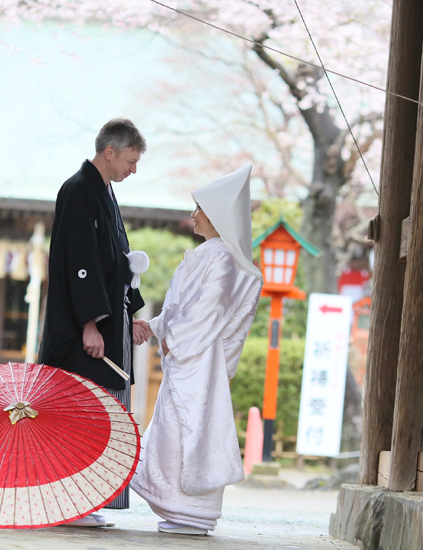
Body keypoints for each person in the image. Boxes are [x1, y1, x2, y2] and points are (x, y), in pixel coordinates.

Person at [130, 165, 263, 536]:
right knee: (180, 429)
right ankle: (182, 508)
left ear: (216, 215)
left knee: (189, 429)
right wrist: (154, 326)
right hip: (191, 357)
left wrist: (174, 338)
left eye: (198, 208)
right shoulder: (212, 253)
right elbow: (179, 308)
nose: (192, 215)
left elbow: (207, 310)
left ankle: (191, 510)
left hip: (197, 359)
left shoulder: (220, 257)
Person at [38, 118, 152, 527]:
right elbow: (80, 264)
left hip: (107, 326)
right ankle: (69, 503)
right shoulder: (78, 189)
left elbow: (116, 264)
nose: (133, 170)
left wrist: (132, 314)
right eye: (131, 160)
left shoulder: (103, 191)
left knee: (104, 415)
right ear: (110, 151)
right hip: (81, 332)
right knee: (82, 414)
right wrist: (90, 323)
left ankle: (84, 502)